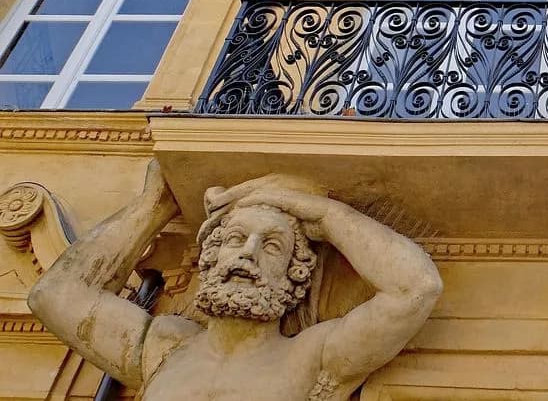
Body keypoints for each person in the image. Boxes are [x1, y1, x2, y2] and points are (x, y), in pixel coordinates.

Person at [29, 162, 442, 400]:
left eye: (273, 246)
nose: (248, 252)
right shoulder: (163, 347)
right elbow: (56, 295)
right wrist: (156, 205)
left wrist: (322, 216)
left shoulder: (312, 358)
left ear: (296, 275)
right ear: (210, 258)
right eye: (236, 239)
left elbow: (414, 289)